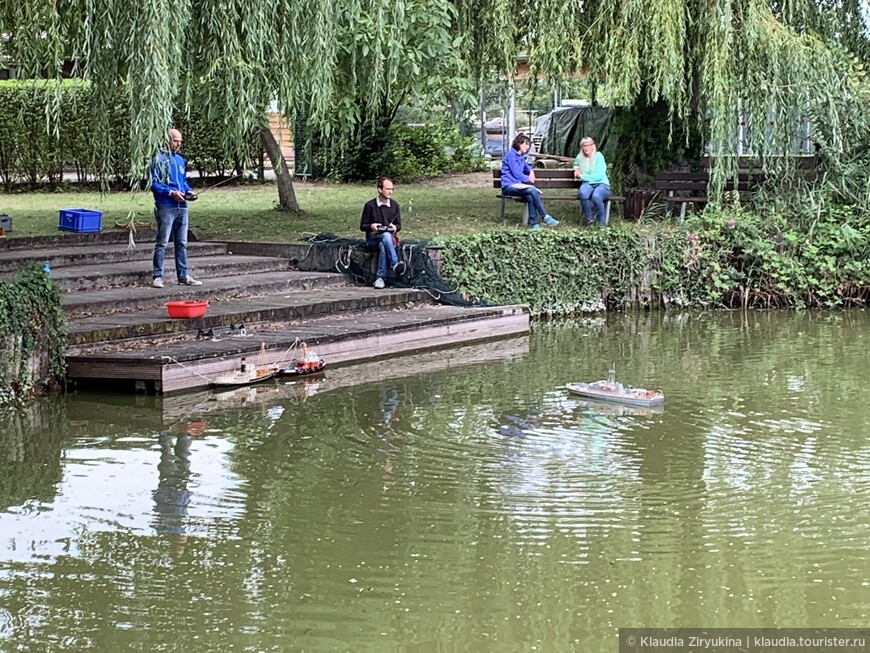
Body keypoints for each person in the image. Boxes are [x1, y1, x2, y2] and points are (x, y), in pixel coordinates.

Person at [150, 128, 201, 288]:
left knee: (182, 243)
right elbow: (154, 184)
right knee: (162, 242)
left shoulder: (180, 160)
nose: (178, 144)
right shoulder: (157, 159)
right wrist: (171, 192)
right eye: (175, 140)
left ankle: (183, 275)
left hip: (182, 207)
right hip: (166, 207)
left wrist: (188, 191)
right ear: (167, 140)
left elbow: (183, 181)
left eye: (180, 141)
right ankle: (157, 276)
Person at [500, 133, 558, 230]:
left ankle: (534, 224)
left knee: (530, 196)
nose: (527, 147)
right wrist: (528, 179)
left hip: (518, 186)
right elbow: (516, 173)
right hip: (508, 186)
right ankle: (544, 216)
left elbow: (526, 166)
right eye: (526, 144)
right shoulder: (510, 155)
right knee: (532, 190)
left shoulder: (521, 156)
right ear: (519, 144)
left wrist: (531, 171)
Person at [360, 177, 406, 289]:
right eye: (387, 189)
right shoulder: (370, 205)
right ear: (380, 190)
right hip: (373, 238)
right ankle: (394, 263)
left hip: (388, 239)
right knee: (385, 236)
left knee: (384, 244)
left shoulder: (395, 205)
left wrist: (394, 227)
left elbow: (399, 225)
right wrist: (371, 226)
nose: (390, 191)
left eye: (392, 189)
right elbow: (362, 226)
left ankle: (380, 278)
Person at [573, 136, 611, 226]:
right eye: (584, 145)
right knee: (583, 192)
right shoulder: (579, 157)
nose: (586, 147)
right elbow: (576, 164)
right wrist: (576, 169)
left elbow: (599, 175)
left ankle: (601, 224)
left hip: (601, 184)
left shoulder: (599, 156)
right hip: (587, 184)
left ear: (593, 146)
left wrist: (582, 176)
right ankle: (589, 221)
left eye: (588, 145)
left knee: (596, 196)